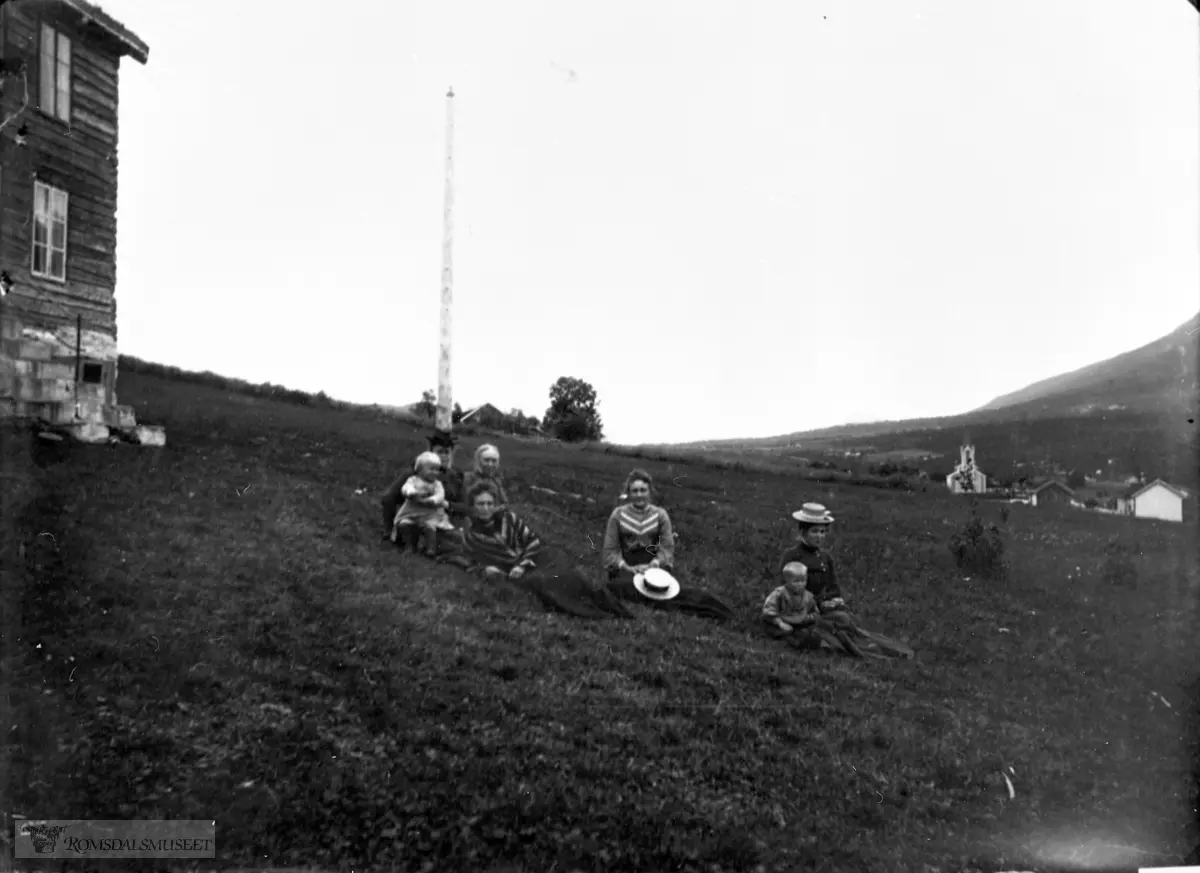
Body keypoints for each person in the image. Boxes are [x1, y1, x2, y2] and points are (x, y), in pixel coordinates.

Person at [443, 481, 633, 620]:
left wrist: (523, 562)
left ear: (494, 505)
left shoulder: (508, 518)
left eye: (489, 504)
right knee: (544, 582)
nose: (486, 508)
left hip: (536, 556)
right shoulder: (472, 536)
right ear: (473, 507)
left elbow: (531, 541)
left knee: (570, 575)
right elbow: (471, 562)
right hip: (514, 571)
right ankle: (592, 612)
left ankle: (609, 605)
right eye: (480, 504)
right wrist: (486, 570)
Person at [380, 429, 468, 538]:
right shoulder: (415, 473)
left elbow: (465, 507)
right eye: (440, 452)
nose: (444, 456)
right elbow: (388, 498)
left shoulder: (456, 476)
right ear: (431, 453)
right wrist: (388, 529)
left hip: (442, 522)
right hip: (416, 520)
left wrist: (447, 504)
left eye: (447, 452)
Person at [602, 469, 676, 579]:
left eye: (643, 490)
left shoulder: (660, 515)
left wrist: (655, 563)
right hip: (626, 567)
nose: (639, 495)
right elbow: (610, 550)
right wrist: (626, 567)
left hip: (653, 568)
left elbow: (667, 548)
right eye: (635, 491)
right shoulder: (618, 515)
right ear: (628, 493)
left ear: (650, 491)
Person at [390, 451, 456, 557]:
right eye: (431, 469)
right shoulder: (413, 480)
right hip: (412, 511)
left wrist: (433, 500)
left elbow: (440, 495)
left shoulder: (437, 484)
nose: (434, 472)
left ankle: (431, 548)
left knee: (430, 526)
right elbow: (406, 488)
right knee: (404, 523)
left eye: (436, 470)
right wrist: (411, 493)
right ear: (419, 470)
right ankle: (409, 546)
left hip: (430, 513)